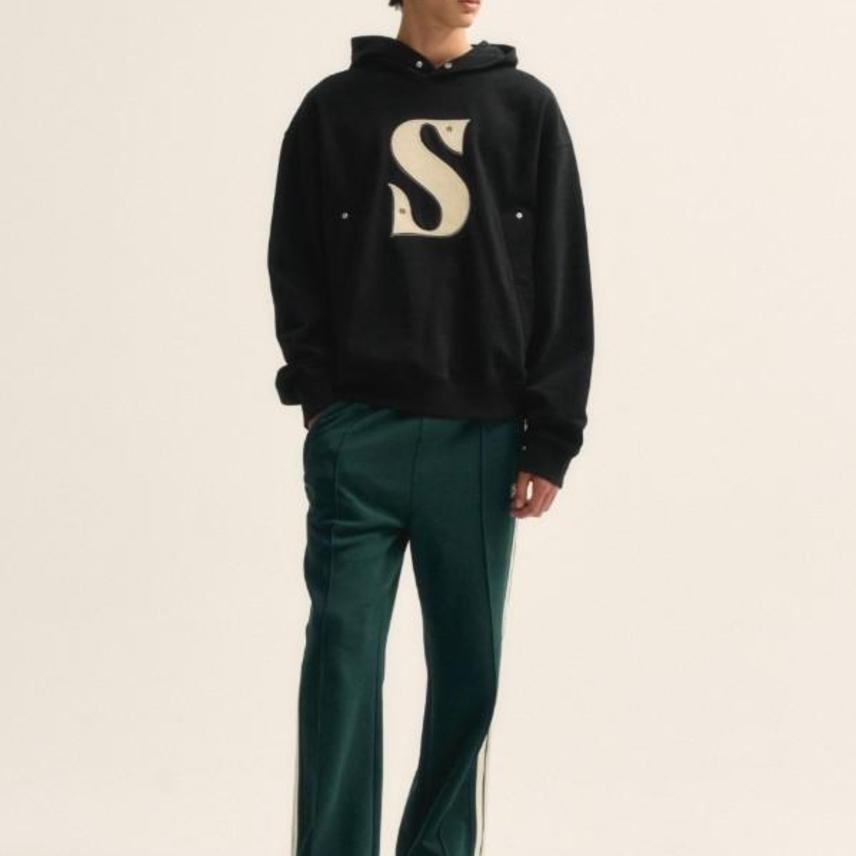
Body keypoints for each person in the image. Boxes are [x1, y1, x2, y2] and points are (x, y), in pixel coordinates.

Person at [266, 0, 594, 852]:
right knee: (339, 668)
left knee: (469, 678)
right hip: (358, 438)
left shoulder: (525, 107)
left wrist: (551, 434)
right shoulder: (334, 108)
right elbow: (294, 260)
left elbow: (561, 275)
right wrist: (321, 404)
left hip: (482, 442)